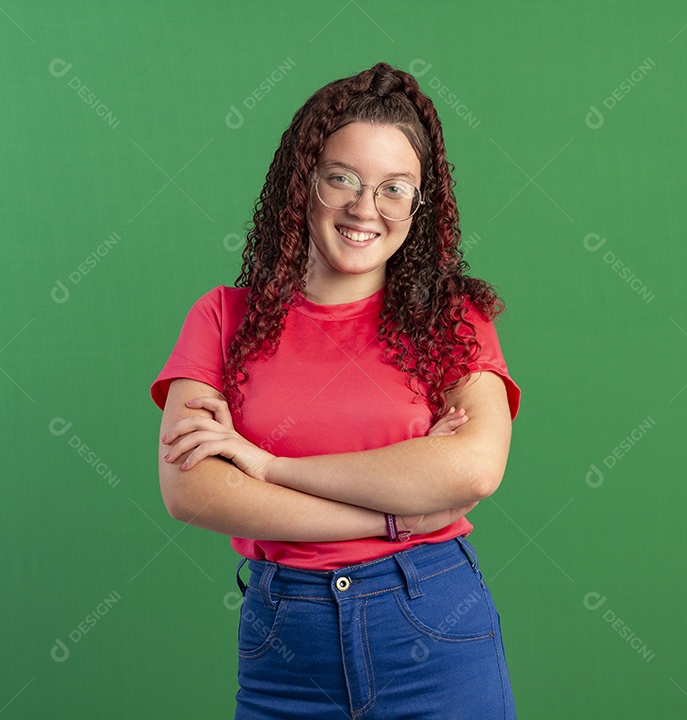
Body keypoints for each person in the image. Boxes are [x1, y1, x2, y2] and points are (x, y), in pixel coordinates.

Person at [151, 62, 521, 718]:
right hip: (286, 643)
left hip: (431, 627)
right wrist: (391, 517)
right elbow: (193, 490)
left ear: (419, 204)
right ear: (304, 182)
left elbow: (472, 467)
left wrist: (267, 466)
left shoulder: (454, 321)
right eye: (342, 178)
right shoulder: (222, 317)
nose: (364, 208)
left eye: (394, 189)